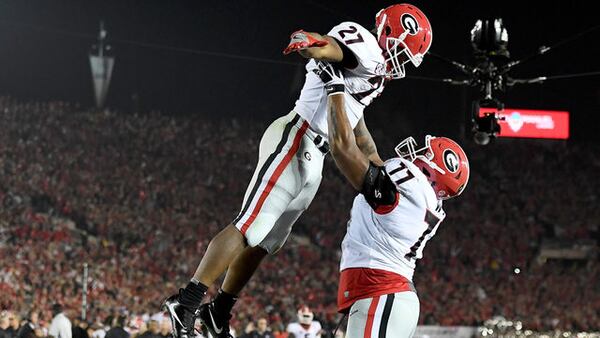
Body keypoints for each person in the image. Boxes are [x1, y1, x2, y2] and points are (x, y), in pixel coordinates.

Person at [163, 3, 433, 338]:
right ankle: (186, 301)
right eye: (402, 53)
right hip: (297, 136)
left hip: (314, 156)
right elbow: (329, 46)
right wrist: (309, 40)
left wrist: (376, 161)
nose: (401, 63)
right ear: (390, 33)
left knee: (267, 242)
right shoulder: (364, 43)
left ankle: (219, 311)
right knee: (251, 224)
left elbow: (355, 120)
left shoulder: (373, 73)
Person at [316, 57, 469, 336]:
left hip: (382, 291)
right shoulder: (415, 196)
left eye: (426, 154)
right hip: (384, 293)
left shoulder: (409, 189)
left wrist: (335, 88)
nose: (418, 154)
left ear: (433, 173)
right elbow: (368, 149)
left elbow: (342, 149)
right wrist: (355, 102)